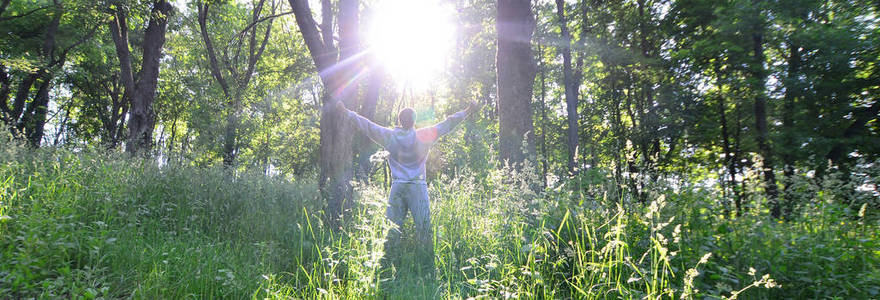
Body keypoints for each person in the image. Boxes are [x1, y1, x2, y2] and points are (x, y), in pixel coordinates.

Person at [335, 100, 477, 276]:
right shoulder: (424, 135)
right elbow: (447, 124)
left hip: (398, 186)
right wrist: (467, 110)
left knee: (392, 229)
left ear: (400, 120)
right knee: (424, 229)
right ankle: (427, 266)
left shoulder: (389, 136)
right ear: (414, 121)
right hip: (418, 187)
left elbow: (367, 126)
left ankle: (386, 266)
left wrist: (347, 112)